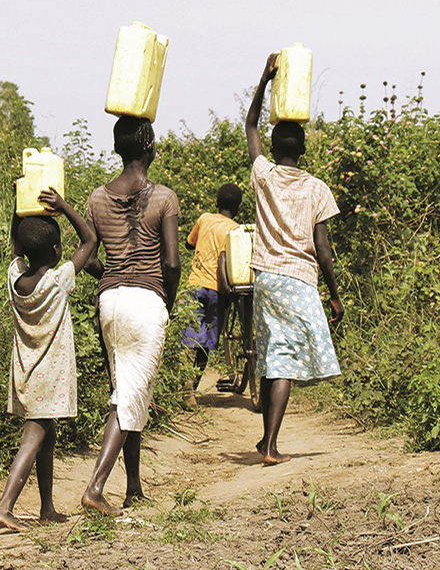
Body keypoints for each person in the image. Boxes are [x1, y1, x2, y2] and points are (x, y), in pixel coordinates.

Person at [243, 53, 343, 465]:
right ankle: (270, 446)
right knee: (282, 359)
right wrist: (335, 294)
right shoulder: (317, 189)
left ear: (276, 146)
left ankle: (265, 438)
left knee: (271, 354)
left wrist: (264, 81)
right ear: (302, 148)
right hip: (298, 279)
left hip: (265, 276)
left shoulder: (263, 175)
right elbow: (322, 250)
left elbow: (250, 125)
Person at [80, 116, 180, 516]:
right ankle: (95, 486)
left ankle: (134, 486)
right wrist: (166, 301)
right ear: (151, 146)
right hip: (145, 301)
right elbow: (171, 263)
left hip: (110, 302)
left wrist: (110, 275)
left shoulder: (97, 198)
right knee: (128, 395)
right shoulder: (164, 198)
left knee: (128, 390)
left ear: (117, 148)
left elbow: (87, 253)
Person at [0, 188, 96, 532]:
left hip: (25, 372)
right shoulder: (58, 280)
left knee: (46, 436)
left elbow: (14, 245)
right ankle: (5, 506)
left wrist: (20, 205)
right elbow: (90, 241)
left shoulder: (15, 280)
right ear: (55, 250)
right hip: (49, 375)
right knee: (33, 437)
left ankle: (47, 507)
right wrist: (64, 206)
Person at [181, 184, 242, 386]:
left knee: (190, 337)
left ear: (216, 202)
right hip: (217, 291)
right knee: (206, 342)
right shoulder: (235, 230)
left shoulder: (204, 218)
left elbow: (190, 243)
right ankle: (193, 381)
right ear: (239, 207)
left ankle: (182, 384)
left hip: (195, 285)